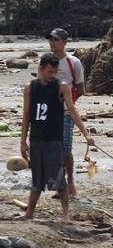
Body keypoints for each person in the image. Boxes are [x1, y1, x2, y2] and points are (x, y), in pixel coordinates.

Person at [20, 53, 94, 224]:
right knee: (37, 178)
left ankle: (66, 214)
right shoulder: (30, 87)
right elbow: (26, 115)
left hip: (54, 138)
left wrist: (86, 134)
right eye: (49, 72)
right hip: (37, 138)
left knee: (58, 178)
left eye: (55, 72)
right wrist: (23, 141)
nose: (52, 75)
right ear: (40, 69)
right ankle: (30, 213)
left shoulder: (62, 87)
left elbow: (73, 111)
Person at [47, 28, 85, 198]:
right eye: (50, 40)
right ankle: (58, 184)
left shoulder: (73, 62)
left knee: (65, 149)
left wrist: (69, 103)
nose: (52, 43)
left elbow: (81, 88)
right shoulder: (47, 61)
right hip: (48, 113)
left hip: (66, 113)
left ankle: (70, 182)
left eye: (55, 40)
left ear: (64, 42)